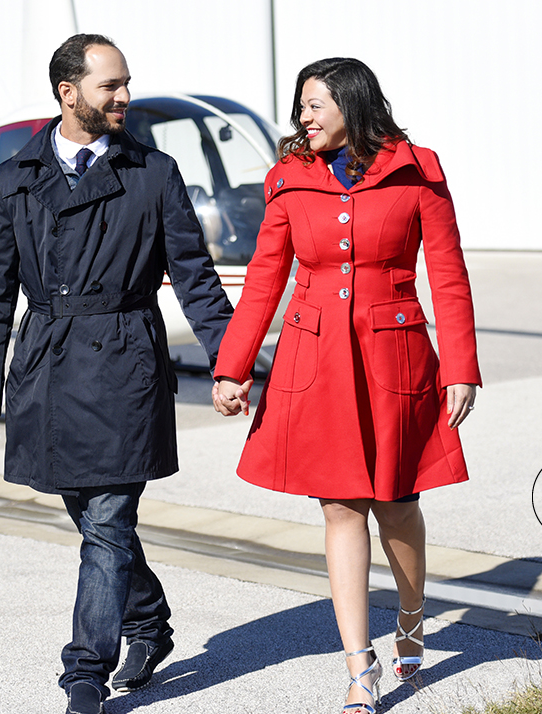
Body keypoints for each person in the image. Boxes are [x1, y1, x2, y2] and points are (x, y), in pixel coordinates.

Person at [0, 34, 233, 714]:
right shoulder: (15, 177)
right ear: (67, 92)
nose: (123, 96)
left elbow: (196, 280)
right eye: (110, 85)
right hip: (46, 367)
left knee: (109, 521)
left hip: (125, 362)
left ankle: (84, 673)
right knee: (93, 522)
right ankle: (148, 622)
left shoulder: (153, 172)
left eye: (125, 83)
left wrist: (230, 362)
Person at [213, 58, 481, 714]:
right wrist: (232, 365)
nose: (303, 116)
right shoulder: (287, 180)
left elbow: (447, 273)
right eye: (300, 105)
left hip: (396, 359)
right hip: (315, 361)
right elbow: (265, 277)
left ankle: (412, 616)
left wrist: (461, 366)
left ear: (351, 104)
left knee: (396, 502)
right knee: (338, 506)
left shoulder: (417, 170)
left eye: (314, 104)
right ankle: (360, 667)